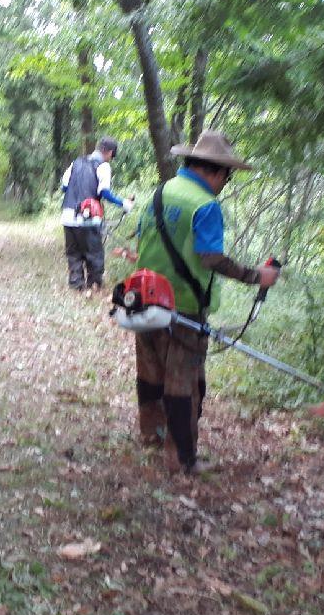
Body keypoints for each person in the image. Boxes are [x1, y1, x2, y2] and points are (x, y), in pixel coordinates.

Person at [133, 132, 278, 477]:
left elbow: (143, 240)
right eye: (227, 177)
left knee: (150, 376)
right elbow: (210, 257)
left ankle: (152, 437)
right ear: (215, 172)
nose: (225, 184)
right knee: (184, 387)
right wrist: (257, 276)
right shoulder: (205, 205)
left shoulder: (160, 193)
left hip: (143, 300)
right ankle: (181, 457)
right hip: (183, 308)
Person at [60, 137, 133, 291]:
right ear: (110, 153)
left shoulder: (76, 162)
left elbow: (64, 187)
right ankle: (94, 284)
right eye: (112, 157)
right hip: (88, 218)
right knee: (94, 253)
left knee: (73, 254)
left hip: (67, 216)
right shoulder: (103, 166)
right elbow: (104, 192)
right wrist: (124, 203)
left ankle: (77, 285)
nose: (111, 160)